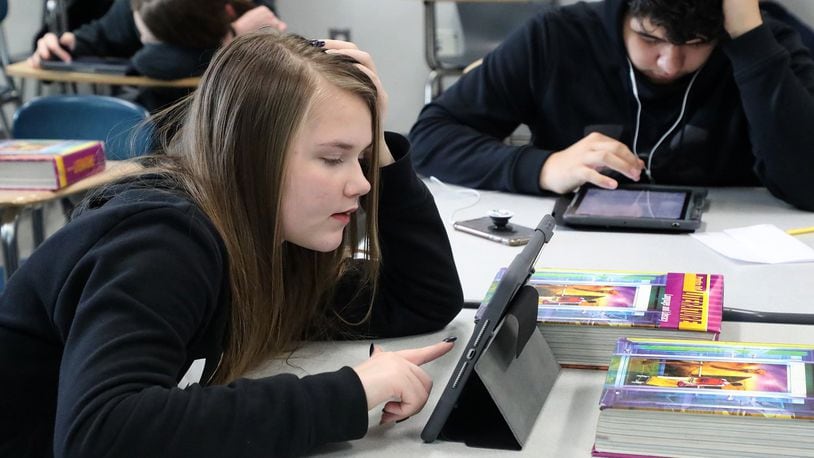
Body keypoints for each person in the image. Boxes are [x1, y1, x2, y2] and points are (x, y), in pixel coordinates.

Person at [0, 33, 464, 456]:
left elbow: (421, 298)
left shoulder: (265, 243)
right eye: (333, 158)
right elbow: (100, 434)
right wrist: (350, 393)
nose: (362, 184)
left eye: (362, 158)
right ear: (252, 155)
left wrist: (379, 144)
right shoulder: (164, 239)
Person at [408, 0, 814, 211]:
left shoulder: (764, 45)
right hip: (577, 249)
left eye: (694, 45)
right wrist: (542, 168)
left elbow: (807, 185)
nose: (670, 64)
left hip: (734, 254)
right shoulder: (557, 37)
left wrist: (749, 38)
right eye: (650, 39)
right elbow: (429, 139)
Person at [29, 0, 287, 109]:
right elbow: (100, 37)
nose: (142, 39)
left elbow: (156, 62)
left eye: (149, 37)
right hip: (159, 134)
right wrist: (58, 45)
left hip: (227, 114)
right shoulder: (137, 7)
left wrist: (229, 36)